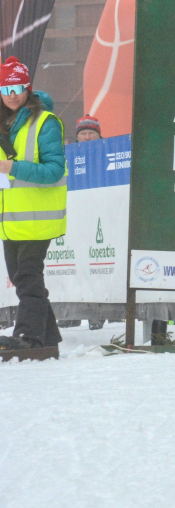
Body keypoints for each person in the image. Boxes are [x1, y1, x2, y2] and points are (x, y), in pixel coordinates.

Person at [0, 57, 65, 352]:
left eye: (17, 87)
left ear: (28, 88)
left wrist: (12, 168)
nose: (12, 94)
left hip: (38, 218)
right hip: (10, 220)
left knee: (27, 277)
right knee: (22, 279)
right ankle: (48, 339)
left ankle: (28, 337)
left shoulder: (46, 122)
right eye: (6, 88)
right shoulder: (3, 123)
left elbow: (54, 171)